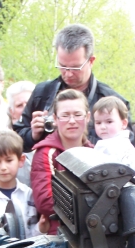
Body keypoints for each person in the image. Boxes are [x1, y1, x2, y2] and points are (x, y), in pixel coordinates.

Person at [14, 23, 130, 152]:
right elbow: (15, 141)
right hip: (48, 168)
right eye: (62, 66)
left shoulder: (113, 102)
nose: (68, 73)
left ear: (91, 61)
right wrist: (32, 135)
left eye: (75, 68)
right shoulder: (42, 93)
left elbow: (126, 148)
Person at [31, 89, 93, 234]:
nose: (72, 121)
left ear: (88, 117)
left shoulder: (94, 152)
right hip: (59, 234)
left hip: (93, 231)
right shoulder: (45, 153)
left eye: (78, 115)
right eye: (65, 116)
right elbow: (46, 202)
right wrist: (90, 205)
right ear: (55, 119)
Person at [92, 96, 135, 173]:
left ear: (124, 123)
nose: (102, 127)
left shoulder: (113, 146)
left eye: (109, 122)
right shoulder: (120, 143)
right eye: (98, 123)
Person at [6, 81, 36, 186]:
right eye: (19, 105)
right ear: (11, 111)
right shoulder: (4, 140)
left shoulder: (50, 133)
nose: (25, 109)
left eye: (28, 103)